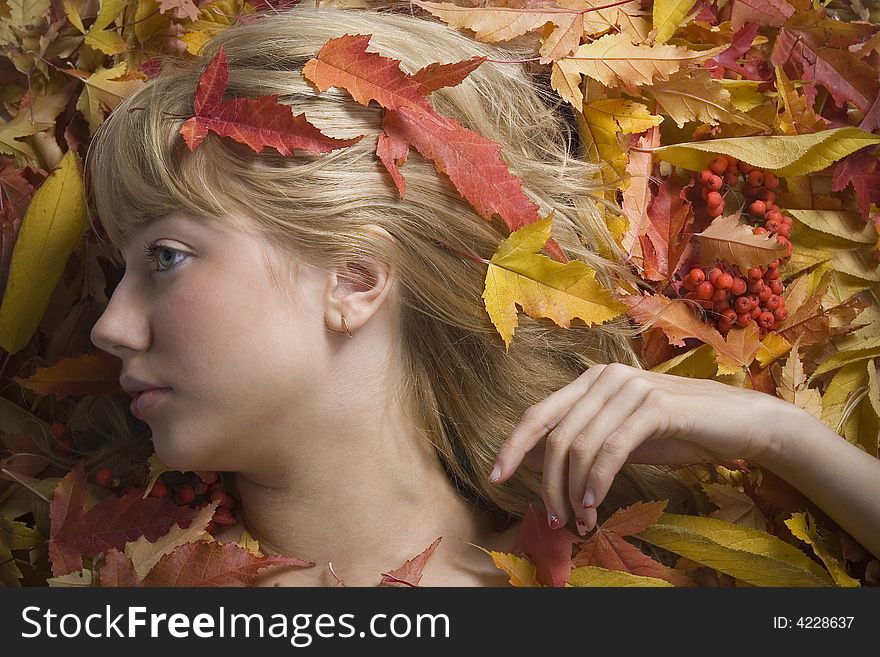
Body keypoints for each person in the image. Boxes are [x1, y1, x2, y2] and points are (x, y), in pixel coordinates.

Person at [85, 2, 880, 586]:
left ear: (353, 280)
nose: (109, 328)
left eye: (165, 257)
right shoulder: (98, 587)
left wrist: (785, 439)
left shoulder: (622, 580)